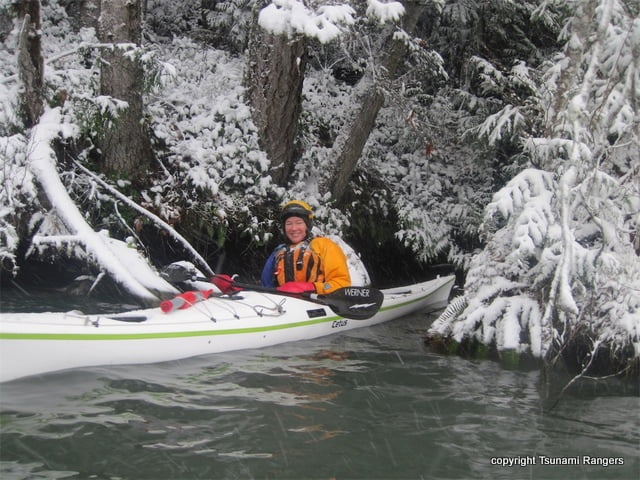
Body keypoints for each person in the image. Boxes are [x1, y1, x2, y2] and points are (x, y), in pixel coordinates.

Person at [260, 200, 351, 294]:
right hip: (284, 305)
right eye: (289, 223)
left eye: (299, 222)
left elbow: (341, 284)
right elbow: (266, 288)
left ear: (307, 225)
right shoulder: (279, 252)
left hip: (317, 304)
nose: (293, 228)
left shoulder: (324, 245)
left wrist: (313, 287)